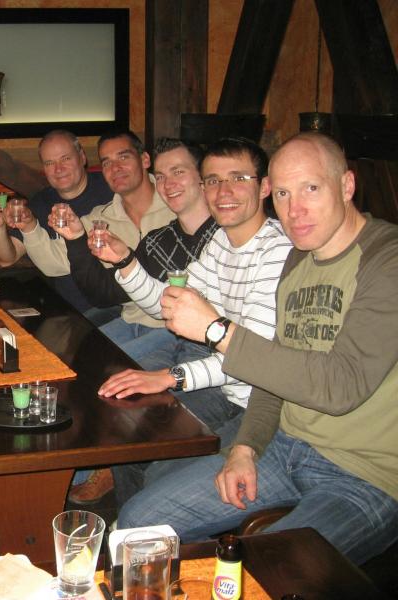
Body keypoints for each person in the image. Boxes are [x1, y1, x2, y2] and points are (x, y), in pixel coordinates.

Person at [118, 132, 398, 565]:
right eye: (284, 193)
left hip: (366, 475)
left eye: (311, 188)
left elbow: (341, 386)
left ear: (346, 185)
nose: (294, 210)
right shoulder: (299, 259)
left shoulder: (387, 260)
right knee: (136, 525)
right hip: (284, 446)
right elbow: (274, 375)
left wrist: (217, 330)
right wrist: (245, 448)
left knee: (263, 572)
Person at [94, 137, 293, 504]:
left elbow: (251, 359)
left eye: (238, 178)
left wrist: (170, 377)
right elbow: (168, 306)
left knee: (157, 474)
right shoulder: (222, 243)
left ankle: (140, 525)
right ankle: (131, 531)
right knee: (127, 436)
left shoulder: (278, 251)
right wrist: (125, 262)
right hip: (223, 390)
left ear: (264, 186)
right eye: (214, 180)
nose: (223, 191)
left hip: (260, 408)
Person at [54, 137, 217, 504]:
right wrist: (86, 244)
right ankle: (76, 469)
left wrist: (126, 261)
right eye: (164, 175)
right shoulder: (159, 237)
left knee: (112, 387)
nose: (169, 184)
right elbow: (113, 294)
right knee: (76, 367)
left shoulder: (219, 231)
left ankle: (107, 475)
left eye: (178, 173)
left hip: (196, 349)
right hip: (161, 325)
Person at [0, 129, 114, 314]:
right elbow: (6, 259)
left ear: (82, 157)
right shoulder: (40, 202)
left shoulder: (111, 189)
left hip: (113, 307)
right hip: (65, 311)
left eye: (65, 159)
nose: (58, 169)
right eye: (49, 163)